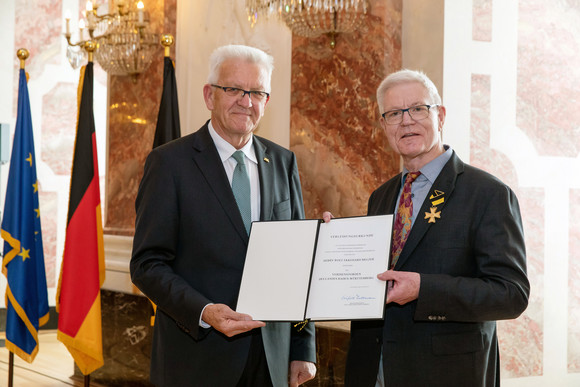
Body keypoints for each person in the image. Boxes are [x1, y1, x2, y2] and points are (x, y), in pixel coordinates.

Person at [324, 69, 530, 387]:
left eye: (418, 108)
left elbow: (511, 295)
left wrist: (424, 289)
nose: (406, 121)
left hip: (446, 373)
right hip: (373, 369)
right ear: (384, 125)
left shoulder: (487, 194)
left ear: (441, 115)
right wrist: (334, 249)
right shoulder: (381, 196)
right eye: (394, 113)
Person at [131, 44, 317, 387]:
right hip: (196, 358)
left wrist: (303, 348)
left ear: (266, 100)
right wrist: (204, 312)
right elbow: (147, 264)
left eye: (257, 92)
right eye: (233, 89)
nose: (246, 101)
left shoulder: (282, 162)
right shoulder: (169, 164)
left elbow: (298, 262)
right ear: (209, 95)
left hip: (271, 359)